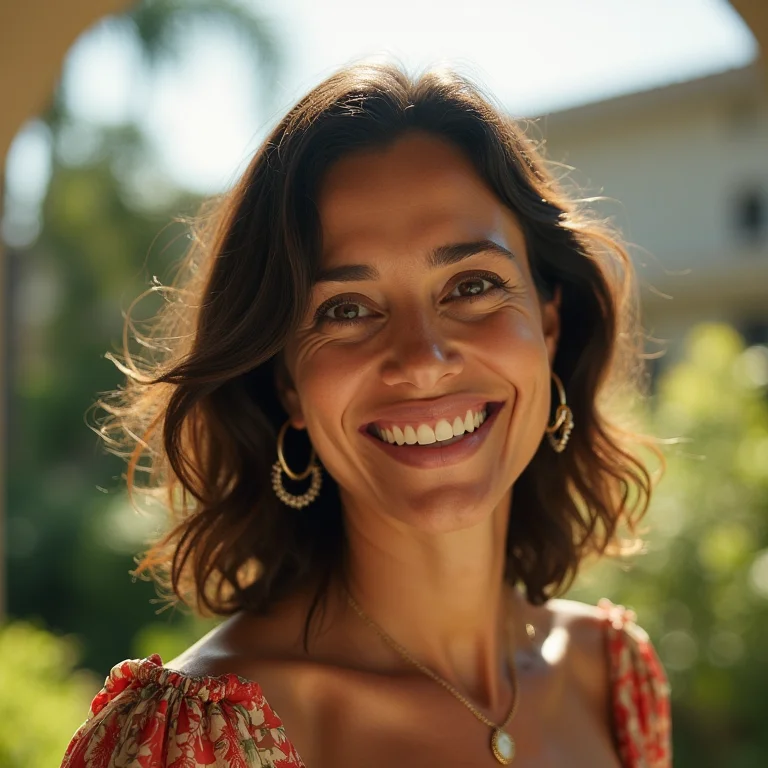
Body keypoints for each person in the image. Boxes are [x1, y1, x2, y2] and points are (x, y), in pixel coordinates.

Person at [60, 60, 671, 768]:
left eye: (472, 285)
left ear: (549, 323)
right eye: (346, 310)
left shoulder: (612, 677)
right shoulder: (188, 745)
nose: (422, 358)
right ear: (287, 382)